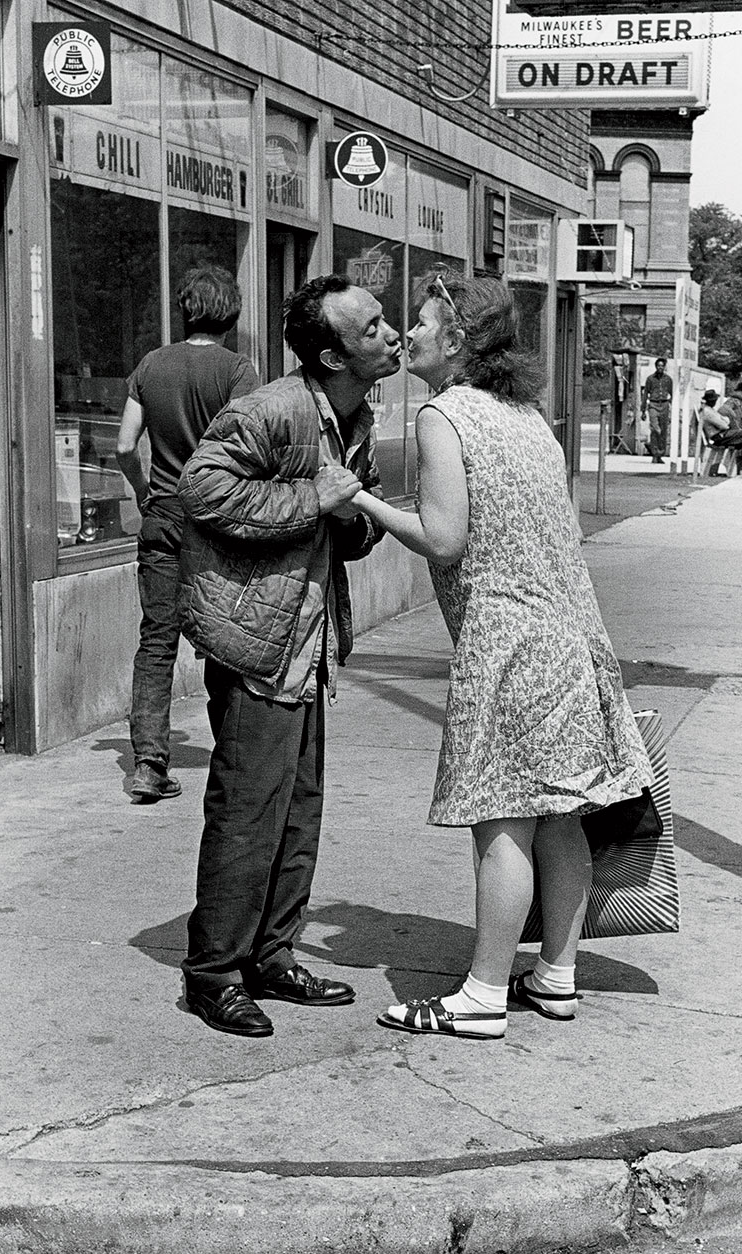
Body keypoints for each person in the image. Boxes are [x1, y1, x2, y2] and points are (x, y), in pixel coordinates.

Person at [349, 273, 653, 1040]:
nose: (408, 335)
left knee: (502, 819)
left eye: (419, 323)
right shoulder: (526, 416)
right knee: (562, 817)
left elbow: (445, 537)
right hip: (571, 637)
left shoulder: (442, 414)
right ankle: (555, 975)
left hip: (507, 641)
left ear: (455, 340)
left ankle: (481, 996)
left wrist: (362, 501)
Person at [174, 275, 402, 1038]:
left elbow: (350, 519)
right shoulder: (273, 408)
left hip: (304, 645)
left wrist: (354, 518)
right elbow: (200, 491)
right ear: (332, 356)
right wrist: (315, 500)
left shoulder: (355, 414)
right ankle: (213, 975)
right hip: (256, 648)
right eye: (372, 328)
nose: (391, 333)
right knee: (247, 814)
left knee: (296, 814)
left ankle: (271, 957)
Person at [116, 264, 260, 803]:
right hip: (218, 525)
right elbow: (253, 446)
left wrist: (143, 492)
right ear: (233, 314)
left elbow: (127, 445)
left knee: (156, 640)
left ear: (185, 309)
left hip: (163, 517)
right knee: (224, 638)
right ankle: (234, 757)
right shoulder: (238, 371)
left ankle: (148, 765)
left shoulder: (150, 366)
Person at [699, 383, 742, 478]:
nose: (715, 401)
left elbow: (724, 420)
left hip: (722, 435)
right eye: (714, 400)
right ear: (710, 401)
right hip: (719, 437)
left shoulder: (710, 410)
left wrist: (724, 420)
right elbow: (724, 425)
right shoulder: (708, 412)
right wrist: (724, 421)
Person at [640, 357, 673, 464]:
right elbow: (645, 394)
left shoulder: (668, 379)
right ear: (656, 366)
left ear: (664, 367)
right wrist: (643, 410)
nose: (660, 367)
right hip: (653, 404)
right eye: (658, 365)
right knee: (655, 429)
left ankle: (659, 454)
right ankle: (654, 453)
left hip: (664, 404)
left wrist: (673, 409)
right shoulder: (650, 379)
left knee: (663, 431)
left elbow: (673, 394)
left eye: (662, 366)